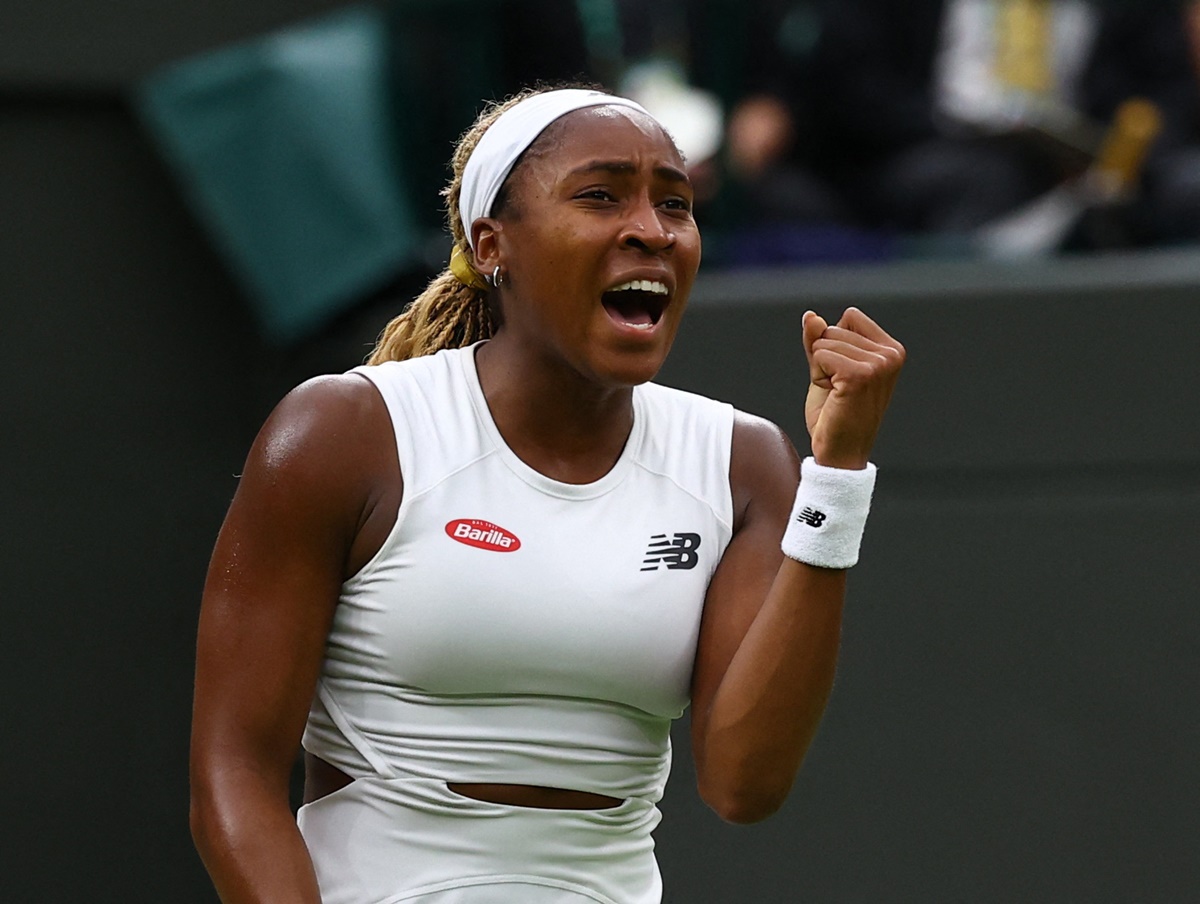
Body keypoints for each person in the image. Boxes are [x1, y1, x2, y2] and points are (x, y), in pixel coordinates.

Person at [188, 85, 905, 903]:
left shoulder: (743, 462)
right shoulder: (346, 431)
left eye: (676, 203)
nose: (652, 229)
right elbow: (231, 775)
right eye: (601, 195)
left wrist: (836, 482)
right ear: (494, 244)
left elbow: (744, 784)